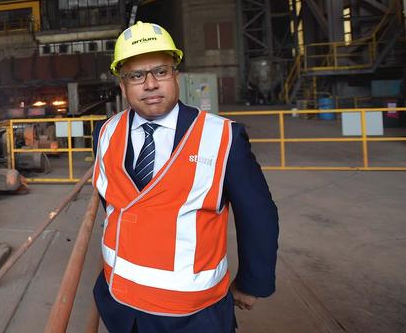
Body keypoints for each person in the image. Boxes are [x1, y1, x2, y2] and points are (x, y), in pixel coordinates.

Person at [91, 21, 279, 333]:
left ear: (175, 76)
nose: (150, 84)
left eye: (160, 71)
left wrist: (251, 283)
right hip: (119, 306)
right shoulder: (105, 132)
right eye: (137, 75)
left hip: (193, 314)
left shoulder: (223, 137)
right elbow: (111, 201)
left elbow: (257, 214)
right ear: (123, 86)